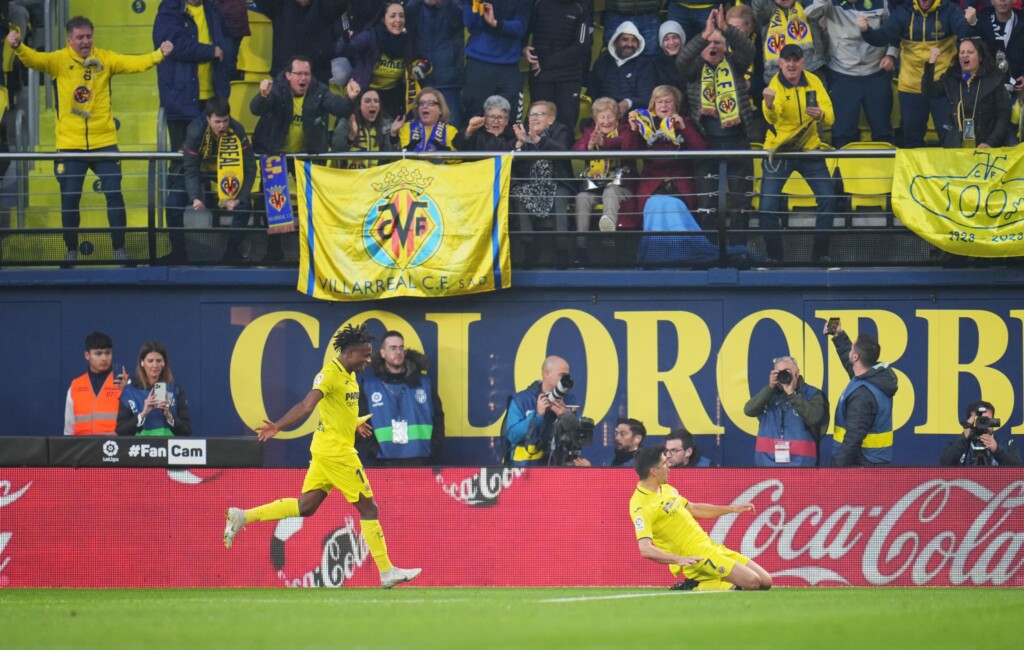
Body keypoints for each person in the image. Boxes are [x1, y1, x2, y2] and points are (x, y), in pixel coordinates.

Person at [223, 323, 422, 589]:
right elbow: (307, 406)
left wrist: (354, 423)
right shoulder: (328, 375)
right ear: (350, 354)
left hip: (326, 449)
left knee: (306, 506)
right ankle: (386, 571)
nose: (368, 360)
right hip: (337, 453)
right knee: (369, 508)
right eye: (364, 355)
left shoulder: (350, 374)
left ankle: (242, 516)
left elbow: (337, 409)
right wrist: (277, 426)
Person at [8, 18, 174, 263]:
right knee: (70, 198)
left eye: (88, 36)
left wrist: (159, 54)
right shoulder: (58, 61)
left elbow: (135, 63)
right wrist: (19, 46)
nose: (85, 41)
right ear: (69, 39)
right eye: (80, 37)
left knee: (114, 195)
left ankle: (119, 249)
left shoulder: (105, 59)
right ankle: (71, 250)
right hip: (69, 145)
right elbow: (34, 59)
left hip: (104, 142)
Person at [630, 446, 772, 591]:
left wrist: (732, 509)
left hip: (708, 546)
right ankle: (694, 586)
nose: (669, 465)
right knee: (752, 582)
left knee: (766, 581)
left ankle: (702, 581)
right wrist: (678, 559)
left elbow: (693, 508)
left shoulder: (665, 489)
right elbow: (645, 549)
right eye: (665, 462)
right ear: (653, 471)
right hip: (694, 557)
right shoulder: (641, 506)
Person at [679, 6, 760, 226]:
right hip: (706, 145)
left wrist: (726, 28)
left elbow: (749, 51)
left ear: (725, 47)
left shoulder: (735, 64)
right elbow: (681, 60)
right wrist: (703, 35)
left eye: (718, 43)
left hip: (738, 143)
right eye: (709, 44)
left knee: (741, 205)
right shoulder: (694, 70)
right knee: (707, 206)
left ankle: (740, 253)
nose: (713, 47)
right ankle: (708, 253)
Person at [860, 0, 977, 148]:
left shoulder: (949, 10)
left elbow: (966, 35)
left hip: (943, 87)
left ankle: (949, 172)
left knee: (950, 139)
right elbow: (881, 37)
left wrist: (972, 23)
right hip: (911, 87)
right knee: (912, 141)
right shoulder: (903, 12)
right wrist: (866, 31)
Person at [758, 43, 836, 262]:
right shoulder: (775, 85)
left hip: (809, 150)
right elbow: (773, 118)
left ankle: (820, 255)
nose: (791, 64)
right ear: (780, 63)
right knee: (767, 207)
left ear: (803, 62)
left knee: (829, 199)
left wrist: (820, 114)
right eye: (787, 60)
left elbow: (831, 116)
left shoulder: (814, 81)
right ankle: (775, 257)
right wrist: (769, 105)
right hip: (780, 152)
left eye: (796, 60)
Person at [163, 96, 257, 264]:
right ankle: (179, 253)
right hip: (198, 170)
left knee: (245, 204)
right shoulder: (195, 131)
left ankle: (232, 252)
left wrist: (239, 197)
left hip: (228, 172)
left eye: (225, 121)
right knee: (173, 203)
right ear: (208, 119)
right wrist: (195, 197)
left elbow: (250, 167)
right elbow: (190, 169)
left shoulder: (237, 130)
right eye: (217, 122)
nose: (222, 126)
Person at [153, 0, 232, 154]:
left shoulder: (212, 8)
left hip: (212, 100)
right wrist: (211, 52)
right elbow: (173, 46)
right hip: (182, 100)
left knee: (210, 161)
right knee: (182, 162)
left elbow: (225, 41)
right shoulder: (169, 10)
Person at [357, 330, 445, 466]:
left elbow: (438, 418)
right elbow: (360, 423)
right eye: (392, 348)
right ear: (382, 353)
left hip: (421, 460)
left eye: (401, 348)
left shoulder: (424, 383)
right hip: (383, 463)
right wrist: (375, 452)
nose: (398, 352)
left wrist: (432, 449)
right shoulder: (369, 386)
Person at [818, 0, 897, 147]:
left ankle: (886, 168)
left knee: (883, 132)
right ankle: (841, 170)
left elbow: (894, 29)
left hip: (877, 73)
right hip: (841, 74)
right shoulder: (829, 3)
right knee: (842, 133)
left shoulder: (882, 2)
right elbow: (808, 13)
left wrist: (891, 55)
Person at [628, 84, 707, 230]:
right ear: (653, 105)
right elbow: (629, 153)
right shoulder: (645, 125)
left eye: (668, 101)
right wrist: (633, 130)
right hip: (652, 185)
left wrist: (683, 128)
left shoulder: (685, 123)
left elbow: (700, 150)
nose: (663, 105)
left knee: (675, 208)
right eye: (659, 101)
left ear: (675, 105)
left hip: (680, 185)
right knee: (658, 206)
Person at [825, 318, 898, 467]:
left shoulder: (863, 395)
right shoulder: (873, 376)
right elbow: (850, 364)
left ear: (856, 357)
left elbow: (853, 438)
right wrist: (839, 336)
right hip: (873, 461)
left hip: (862, 465)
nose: (850, 351)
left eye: (852, 349)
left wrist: (836, 470)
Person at [336, 1, 419, 119]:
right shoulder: (370, 36)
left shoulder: (408, 40)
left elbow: (419, 60)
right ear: (383, 19)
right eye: (392, 16)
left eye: (401, 16)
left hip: (393, 96)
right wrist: (345, 39)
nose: (398, 20)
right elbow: (345, 50)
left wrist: (423, 66)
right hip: (365, 91)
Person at [923, 39, 1011, 148]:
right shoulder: (952, 78)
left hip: (985, 145)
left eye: (970, 52)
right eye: (962, 52)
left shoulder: (994, 80)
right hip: (955, 146)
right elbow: (929, 91)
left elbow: (1003, 115)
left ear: (980, 57)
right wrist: (931, 63)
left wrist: (990, 143)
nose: (965, 55)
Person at [743, 355, 827, 467]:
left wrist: (791, 394)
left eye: (787, 371)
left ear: (797, 372)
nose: (783, 375)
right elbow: (749, 410)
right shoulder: (769, 394)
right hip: (767, 464)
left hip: (801, 466)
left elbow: (814, 418)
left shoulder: (812, 394)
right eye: (778, 372)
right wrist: (770, 387)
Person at [521, 0, 590, 133]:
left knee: (566, 122)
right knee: (538, 122)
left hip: (569, 76)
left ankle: (562, 153)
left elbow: (581, 46)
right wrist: (522, 48)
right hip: (541, 75)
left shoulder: (581, 8)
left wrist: (546, 63)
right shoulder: (538, 4)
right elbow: (523, 29)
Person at [501, 355, 582, 466]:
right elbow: (512, 435)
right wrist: (537, 416)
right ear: (546, 374)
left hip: (558, 471)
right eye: (562, 375)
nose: (565, 380)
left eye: (567, 376)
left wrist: (565, 416)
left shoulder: (569, 401)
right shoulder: (521, 400)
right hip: (524, 473)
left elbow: (580, 438)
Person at [572, 97, 638, 233]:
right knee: (582, 197)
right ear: (596, 120)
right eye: (602, 117)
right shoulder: (590, 132)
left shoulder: (625, 131)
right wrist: (589, 146)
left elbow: (628, 148)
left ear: (617, 118)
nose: (606, 121)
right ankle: (581, 240)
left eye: (610, 117)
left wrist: (604, 143)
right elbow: (576, 150)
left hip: (621, 187)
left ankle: (608, 233)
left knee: (610, 191)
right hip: (595, 187)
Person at [461, 0, 531, 124]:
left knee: (509, 119)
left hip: (509, 66)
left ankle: (505, 144)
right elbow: (469, 22)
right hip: (479, 62)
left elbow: (520, 27)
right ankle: (476, 144)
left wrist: (496, 23)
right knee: (474, 117)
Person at [510, 101, 574, 231]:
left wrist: (539, 141)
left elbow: (562, 150)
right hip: (530, 185)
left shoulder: (561, 131)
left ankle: (563, 245)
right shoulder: (523, 135)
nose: (534, 118)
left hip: (557, 183)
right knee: (517, 195)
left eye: (539, 114)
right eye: (532, 115)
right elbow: (516, 166)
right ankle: (527, 243)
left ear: (551, 119)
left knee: (559, 197)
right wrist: (519, 145)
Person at [254, 0, 347, 83]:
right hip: (284, 73)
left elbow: (340, 4)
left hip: (318, 74)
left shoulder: (327, 6)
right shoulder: (278, 4)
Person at [406, 0, 466, 128]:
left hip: (450, 81)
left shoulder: (455, 3)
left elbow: (459, 20)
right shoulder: (415, 6)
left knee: (452, 130)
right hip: (421, 81)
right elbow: (407, 17)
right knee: (419, 132)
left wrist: (443, 3)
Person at [116, 341, 193, 437]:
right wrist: (143, 413)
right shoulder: (130, 391)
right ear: (142, 362)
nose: (155, 365)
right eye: (150, 361)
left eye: (158, 361)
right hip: (141, 448)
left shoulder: (175, 389)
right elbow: (120, 431)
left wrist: (169, 416)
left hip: (167, 448)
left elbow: (187, 430)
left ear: (164, 362)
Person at [64, 331, 129, 436]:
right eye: (98, 353)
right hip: (81, 447)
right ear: (87, 355)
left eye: (107, 353)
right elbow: (69, 427)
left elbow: (135, 419)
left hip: (114, 446)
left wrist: (128, 390)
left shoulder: (124, 382)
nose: (104, 358)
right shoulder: (76, 385)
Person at [588, 22, 657, 117]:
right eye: (625, 40)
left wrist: (628, 103)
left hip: (634, 118)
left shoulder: (644, 64)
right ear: (616, 41)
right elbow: (592, 93)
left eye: (634, 40)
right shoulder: (603, 62)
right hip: (603, 117)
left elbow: (647, 97)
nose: (630, 44)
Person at [753, 0, 828, 87]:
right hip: (777, 73)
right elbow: (758, 7)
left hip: (812, 69)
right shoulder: (767, 11)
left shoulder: (807, 5)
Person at [331, 88, 402, 168]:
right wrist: (350, 137)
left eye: (376, 101)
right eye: (367, 101)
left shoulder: (386, 125)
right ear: (359, 105)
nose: (373, 105)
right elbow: (335, 155)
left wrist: (394, 137)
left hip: (375, 178)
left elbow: (396, 162)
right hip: (350, 177)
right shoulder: (346, 122)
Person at [940, 401, 1021, 467]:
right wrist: (964, 438)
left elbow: (1019, 469)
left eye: (986, 420)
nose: (983, 423)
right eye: (979, 420)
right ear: (970, 421)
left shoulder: (1007, 444)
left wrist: (997, 450)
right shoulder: (958, 444)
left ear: (993, 422)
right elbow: (944, 464)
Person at [975, 0, 1024, 96]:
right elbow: (968, 50)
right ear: (992, 1)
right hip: (987, 88)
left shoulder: (1022, 20)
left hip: (1018, 86)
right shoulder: (980, 20)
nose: (1002, 0)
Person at [398, 87, 460, 152]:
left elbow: (457, 159)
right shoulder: (407, 128)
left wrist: (444, 152)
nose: (425, 106)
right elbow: (399, 155)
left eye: (430, 103)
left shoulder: (450, 130)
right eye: (421, 103)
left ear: (440, 110)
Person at [453, 95, 518, 151]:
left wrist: (520, 142)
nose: (495, 121)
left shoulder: (514, 135)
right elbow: (457, 146)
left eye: (500, 117)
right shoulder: (476, 132)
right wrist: (469, 131)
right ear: (485, 118)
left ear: (507, 120)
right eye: (492, 117)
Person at [654, 20, 686, 93]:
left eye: (675, 37)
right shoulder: (656, 63)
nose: (671, 42)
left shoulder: (691, 59)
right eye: (666, 39)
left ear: (682, 39)